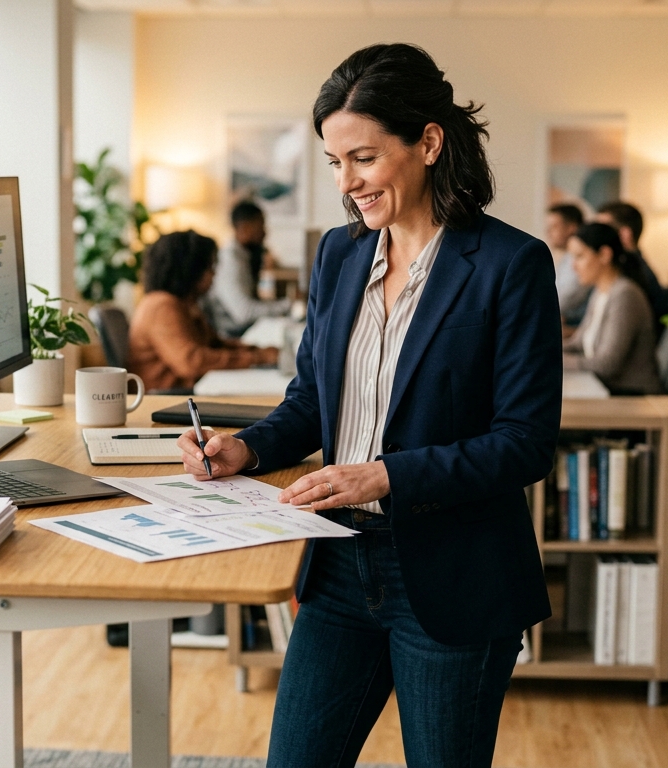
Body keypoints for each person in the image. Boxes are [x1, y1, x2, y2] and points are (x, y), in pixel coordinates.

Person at [177, 43, 559, 767]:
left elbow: (525, 442)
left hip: (453, 578)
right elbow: (313, 401)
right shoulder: (339, 255)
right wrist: (246, 448)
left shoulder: (510, 265)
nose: (347, 182)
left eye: (363, 157)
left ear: (428, 143)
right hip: (339, 566)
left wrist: (385, 474)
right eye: (334, 162)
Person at [128, 230, 278, 393]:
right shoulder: (161, 306)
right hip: (166, 397)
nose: (213, 274)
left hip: (189, 390)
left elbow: (213, 344)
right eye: (209, 267)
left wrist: (259, 352)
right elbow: (191, 362)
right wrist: (257, 358)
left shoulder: (183, 303)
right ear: (190, 269)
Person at [562, 222, 663, 395]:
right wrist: (541, 351)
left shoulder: (625, 295)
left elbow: (606, 364)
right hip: (604, 389)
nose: (573, 266)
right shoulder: (600, 291)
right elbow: (579, 343)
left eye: (579, 257)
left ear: (604, 255)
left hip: (631, 397)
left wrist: (552, 360)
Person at [203, 201, 292, 339]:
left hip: (245, 330)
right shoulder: (230, 261)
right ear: (245, 227)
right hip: (232, 335)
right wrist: (288, 305)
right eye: (260, 225)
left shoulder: (245, 255)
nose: (265, 232)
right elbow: (244, 313)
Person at [595, 200, 668, 329]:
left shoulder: (632, 281)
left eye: (603, 231)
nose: (595, 238)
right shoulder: (633, 271)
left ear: (625, 235)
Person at [546, 202, 589, 325]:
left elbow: (561, 302)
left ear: (572, 228)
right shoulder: (566, 257)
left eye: (554, 227)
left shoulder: (581, 260)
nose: (549, 232)